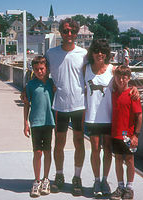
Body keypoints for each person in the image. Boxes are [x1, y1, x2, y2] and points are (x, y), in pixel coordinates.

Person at [45, 18, 87, 196]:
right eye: (65, 31)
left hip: (79, 105)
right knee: (59, 143)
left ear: (76, 33)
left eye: (72, 31)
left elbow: (99, 72)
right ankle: (59, 175)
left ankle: (77, 177)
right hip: (60, 105)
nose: (69, 34)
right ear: (60, 32)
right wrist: (27, 90)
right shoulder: (51, 53)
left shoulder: (84, 54)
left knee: (79, 142)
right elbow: (41, 75)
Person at [85, 39, 114, 197]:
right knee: (95, 150)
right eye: (96, 51)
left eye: (103, 51)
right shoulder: (86, 69)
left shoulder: (112, 69)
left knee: (108, 150)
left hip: (109, 118)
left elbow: (126, 84)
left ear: (107, 54)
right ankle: (96, 180)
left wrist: (134, 91)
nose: (100, 54)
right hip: (92, 118)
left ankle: (105, 180)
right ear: (92, 53)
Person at [23, 56, 55, 198]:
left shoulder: (52, 84)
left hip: (49, 122)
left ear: (46, 69)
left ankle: (46, 179)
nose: (39, 72)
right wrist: (25, 123)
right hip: (35, 123)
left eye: (42, 69)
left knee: (47, 151)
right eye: (36, 69)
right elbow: (26, 104)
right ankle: (37, 180)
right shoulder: (30, 85)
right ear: (33, 70)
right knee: (38, 152)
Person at [110, 66, 143, 200]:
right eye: (119, 77)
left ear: (129, 78)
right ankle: (120, 186)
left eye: (124, 77)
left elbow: (139, 116)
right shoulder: (113, 93)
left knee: (129, 160)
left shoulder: (132, 95)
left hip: (128, 135)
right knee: (118, 159)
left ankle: (129, 187)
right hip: (116, 134)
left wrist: (136, 135)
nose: (121, 80)